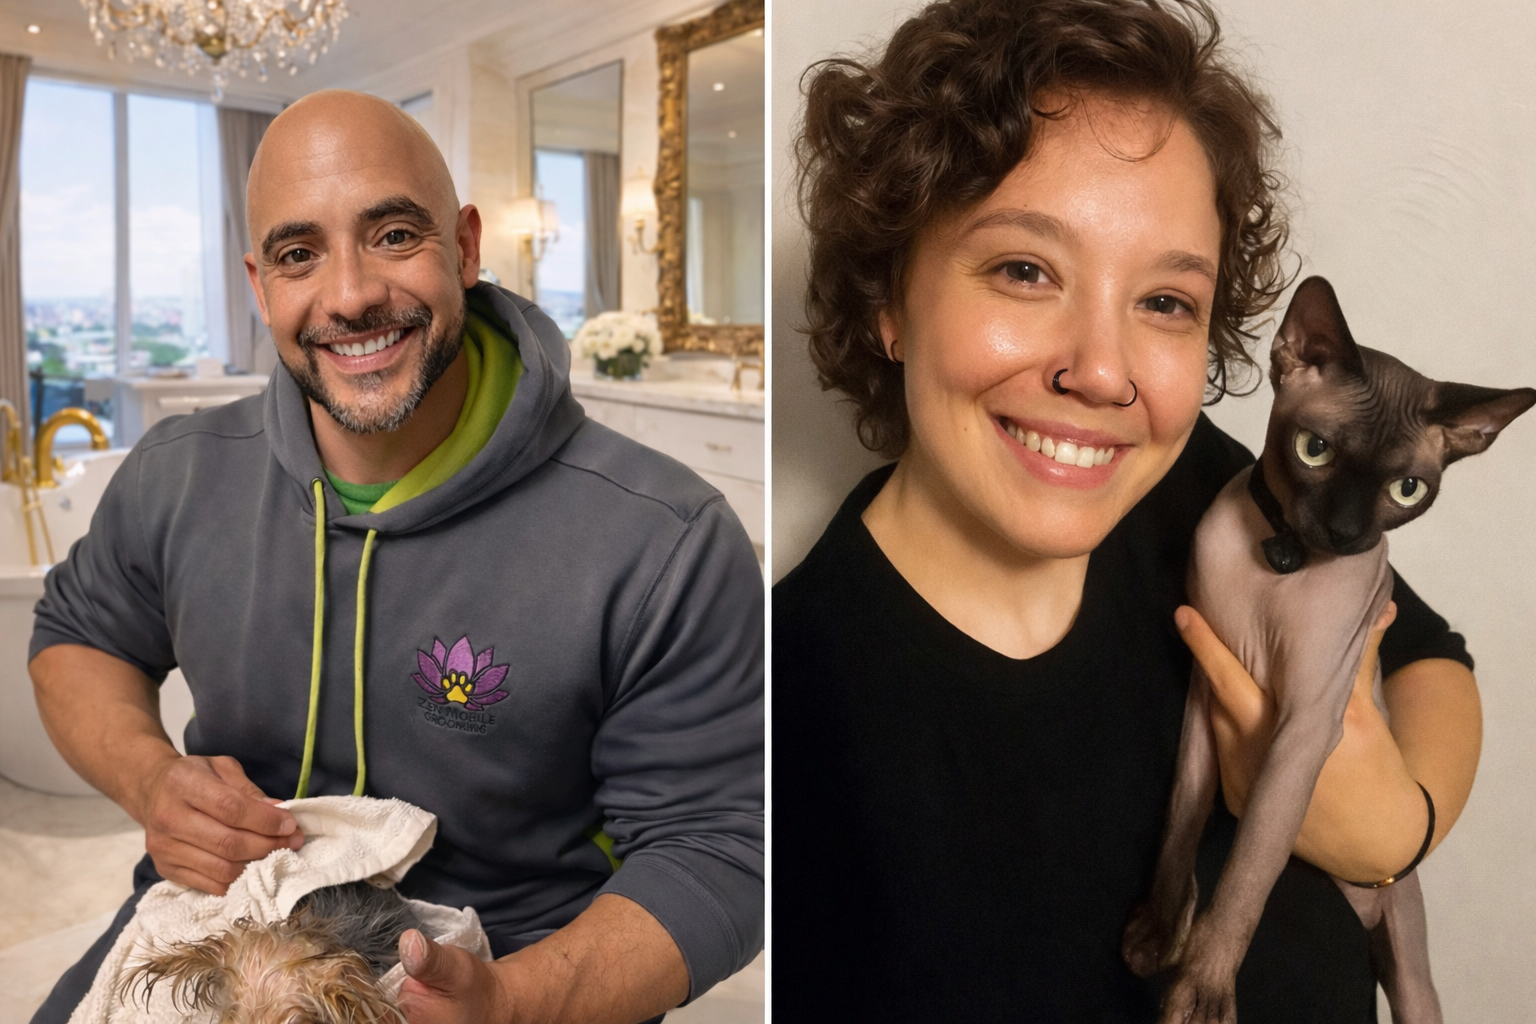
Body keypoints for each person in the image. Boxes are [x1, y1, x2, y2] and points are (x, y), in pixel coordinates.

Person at [773, 1, 1479, 1021]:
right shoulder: (791, 712)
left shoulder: (1214, 488)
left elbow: (1430, 653)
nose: (1104, 374)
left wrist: (1393, 824)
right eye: (1025, 269)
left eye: (1165, 302)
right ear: (889, 299)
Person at [29, 90, 763, 1024]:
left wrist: (512, 1002)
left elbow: (721, 852)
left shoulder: (666, 538)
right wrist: (149, 778)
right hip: (221, 937)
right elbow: (75, 637)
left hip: (519, 971)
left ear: (464, 245)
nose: (350, 296)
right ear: (260, 287)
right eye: (300, 255)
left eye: (392, 235)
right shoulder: (177, 475)